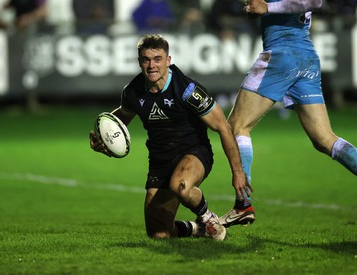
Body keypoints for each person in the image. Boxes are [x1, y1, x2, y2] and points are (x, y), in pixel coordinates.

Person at [219, 0, 357, 228]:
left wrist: (268, 8)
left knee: (237, 126)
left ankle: (243, 205)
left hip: (282, 55)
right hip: (304, 57)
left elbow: (313, 1)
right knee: (324, 139)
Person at [89, 34, 252, 240]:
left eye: (157, 59)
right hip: (160, 160)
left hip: (193, 152)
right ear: (139, 62)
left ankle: (208, 218)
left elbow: (223, 127)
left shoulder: (187, 90)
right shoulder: (132, 92)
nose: (151, 65)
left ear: (168, 61)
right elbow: (122, 117)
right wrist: (104, 137)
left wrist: (237, 172)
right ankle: (197, 229)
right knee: (159, 234)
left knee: (181, 186)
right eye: (146, 60)